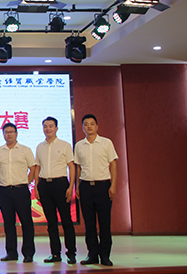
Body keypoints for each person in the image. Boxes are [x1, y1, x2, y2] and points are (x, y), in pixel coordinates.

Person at [75, 114, 118, 267]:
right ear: (82, 127)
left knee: (104, 222)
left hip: (103, 186)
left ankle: (105, 255)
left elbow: (113, 164)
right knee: (89, 223)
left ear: (97, 126)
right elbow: (78, 167)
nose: (89, 126)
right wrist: (77, 186)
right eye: (86, 124)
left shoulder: (106, 143)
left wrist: (113, 185)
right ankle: (92, 254)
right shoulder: (79, 145)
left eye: (92, 124)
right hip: (85, 187)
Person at [34, 117, 76, 264]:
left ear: (56, 128)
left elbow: (71, 167)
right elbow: (37, 167)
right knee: (51, 222)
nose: (48, 129)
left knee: (66, 221)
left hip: (61, 184)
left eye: (51, 126)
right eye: (45, 126)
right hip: (45, 185)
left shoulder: (65, 145)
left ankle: (71, 253)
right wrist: (36, 187)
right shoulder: (40, 147)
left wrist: (71, 186)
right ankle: (55, 254)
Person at [0, 123, 36, 263]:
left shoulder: (25, 150)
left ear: (16, 133)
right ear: (3, 134)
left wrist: (27, 182)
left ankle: (28, 253)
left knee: (26, 222)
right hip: (4, 191)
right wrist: (2, 180)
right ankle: (11, 252)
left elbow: (33, 168)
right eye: (6, 132)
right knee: (8, 223)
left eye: (11, 132)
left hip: (21, 190)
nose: (9, 134)